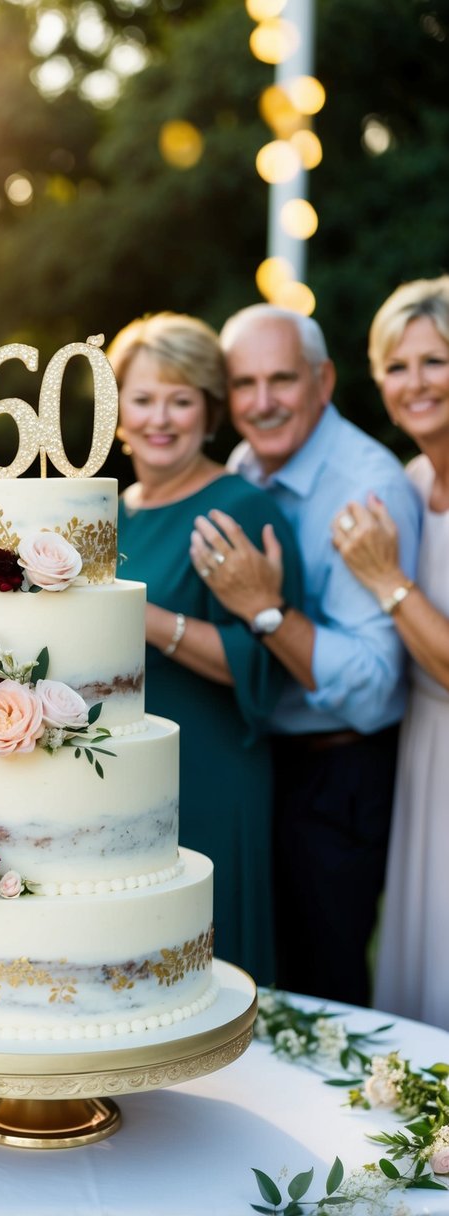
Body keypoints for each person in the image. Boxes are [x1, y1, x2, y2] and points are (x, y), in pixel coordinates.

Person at [189, 303, 422, 1006]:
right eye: (243, 384)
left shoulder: (363, 488)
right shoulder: (239, 468)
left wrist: (264, 610)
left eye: (281, 380)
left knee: (323, 993)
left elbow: (374, 688)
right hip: (257, 764)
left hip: (336, 774)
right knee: (252, 976)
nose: (261, 404)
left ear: (322, 382)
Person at [107, 312, 303, 983]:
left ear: (208, 412)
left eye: (181, 399)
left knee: (205, 977)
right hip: (116, 782)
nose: (160, 418)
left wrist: (140, 616)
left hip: (210, 772)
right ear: (116, 411)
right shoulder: (106, 513)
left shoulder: (239, 508)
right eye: (142, 398)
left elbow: (264, 667)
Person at [331, 277, 449, 1028]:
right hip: (421, 753)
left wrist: (384, 580)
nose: (414, 382)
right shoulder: (406, 482)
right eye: (396, 365)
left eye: (433, 360)